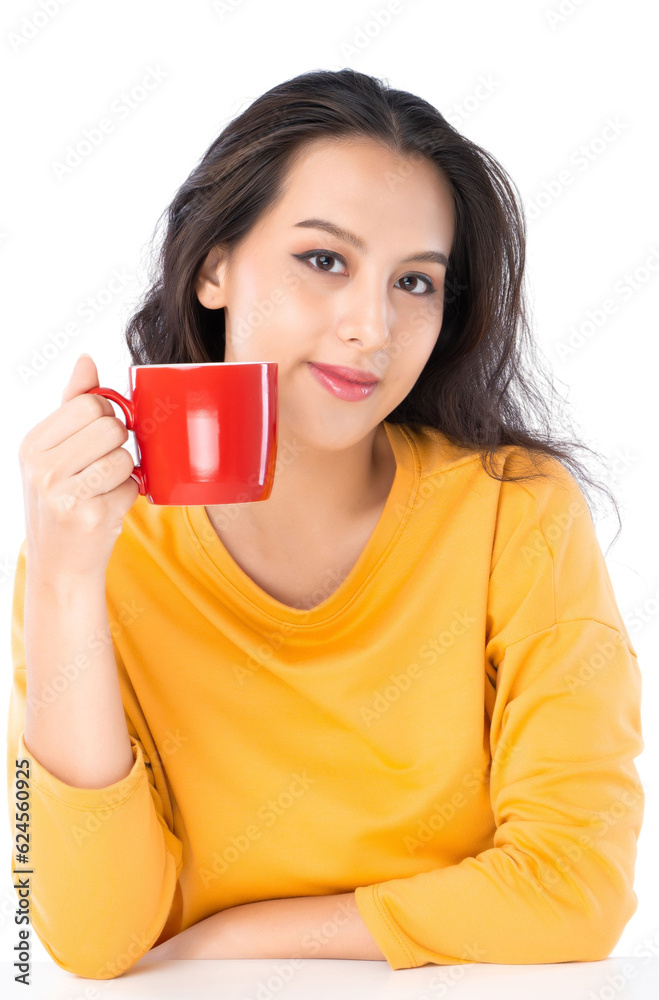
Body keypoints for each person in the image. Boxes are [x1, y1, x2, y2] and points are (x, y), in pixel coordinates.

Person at [7, 68, 644, 980]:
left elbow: (576, 889)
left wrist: (243, 935)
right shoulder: (95, 547)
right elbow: (90, 937)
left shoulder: (516, 513)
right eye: (324, 260)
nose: (371, 327)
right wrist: (67, 584)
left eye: (415, 282)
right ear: (215, 266)